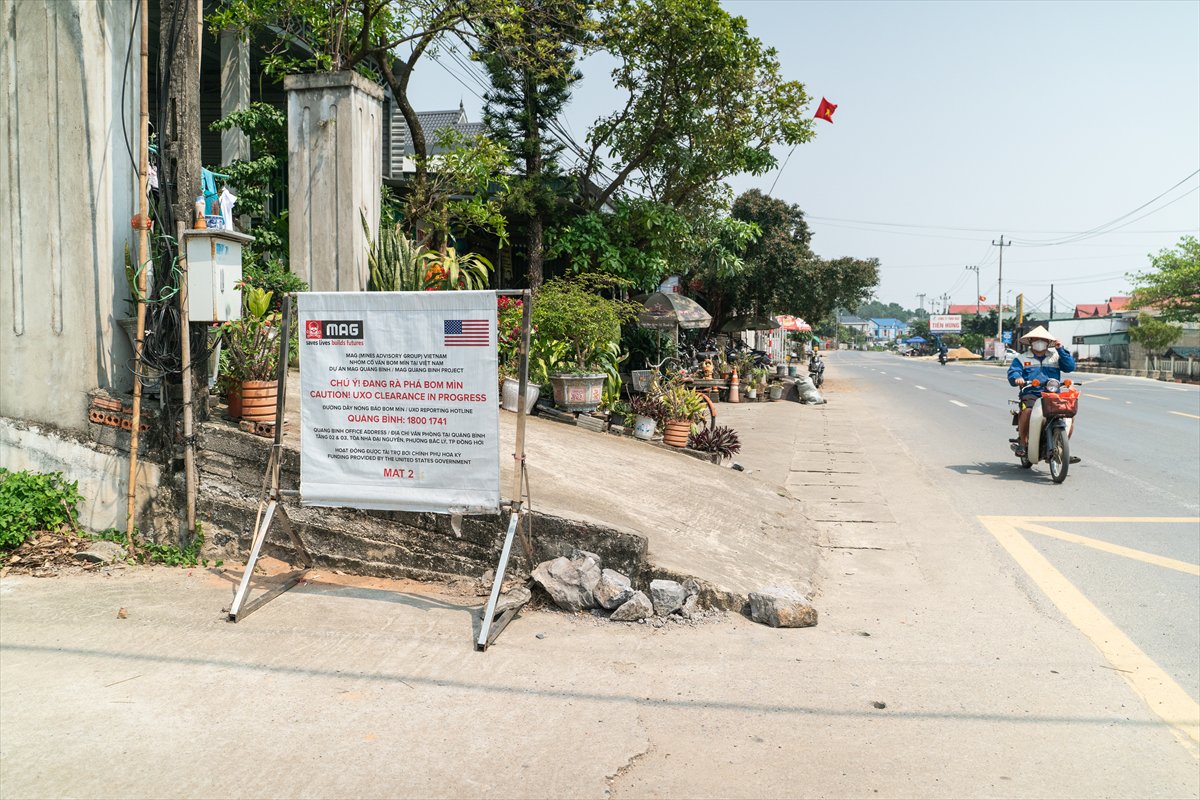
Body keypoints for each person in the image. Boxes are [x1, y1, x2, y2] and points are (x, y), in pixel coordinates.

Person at [1007, 325, 1079, 461]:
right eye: (1036, 339)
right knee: (1027, 411)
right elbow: (1013, 372)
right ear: (1031, 341)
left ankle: (1063, 447)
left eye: (1043, 340)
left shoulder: (1055, 357)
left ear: (1048, 343)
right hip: (1031, 393)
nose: (1039, 342)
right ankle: (1023, 443)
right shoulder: (1021, 358)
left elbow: (1069, 367)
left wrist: (1060, 349)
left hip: (1052, 394)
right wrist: (1017, 378)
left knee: (1070, 414)